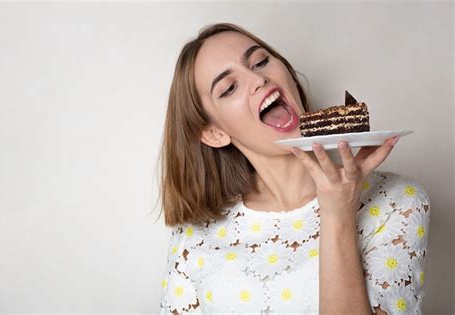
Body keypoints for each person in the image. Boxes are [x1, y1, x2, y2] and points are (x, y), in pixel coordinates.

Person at [157, 23, 430, 314]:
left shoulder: (396, 203)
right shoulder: (194, 236)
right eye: (230, 88)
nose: (258, 79)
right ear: (214, 133)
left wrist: (338, 217)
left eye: (260, 62)